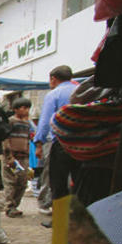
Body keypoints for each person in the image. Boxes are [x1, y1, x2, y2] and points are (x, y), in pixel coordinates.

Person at [33, 65, 79, 215]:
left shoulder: (54, 94)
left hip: (62, 143)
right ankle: (79, 218)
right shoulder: (80, 89)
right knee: (79, 181)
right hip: (85, 144)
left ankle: (60, 220)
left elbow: (45, 122)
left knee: (58, 184)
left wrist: (39, 143)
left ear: (53, 79)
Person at [2, 97, 35, 217]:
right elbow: (5, 139)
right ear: (16, 109)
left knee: (22, 182)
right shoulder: (11, 121)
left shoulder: (27, 124)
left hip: (23, 157)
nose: (26, 111)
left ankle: (15, 205)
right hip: (11, 157)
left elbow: (28, 139)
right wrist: (9, 156)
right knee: (10, 182)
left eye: (28, 108)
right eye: (24, 108)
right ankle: (9, 207)